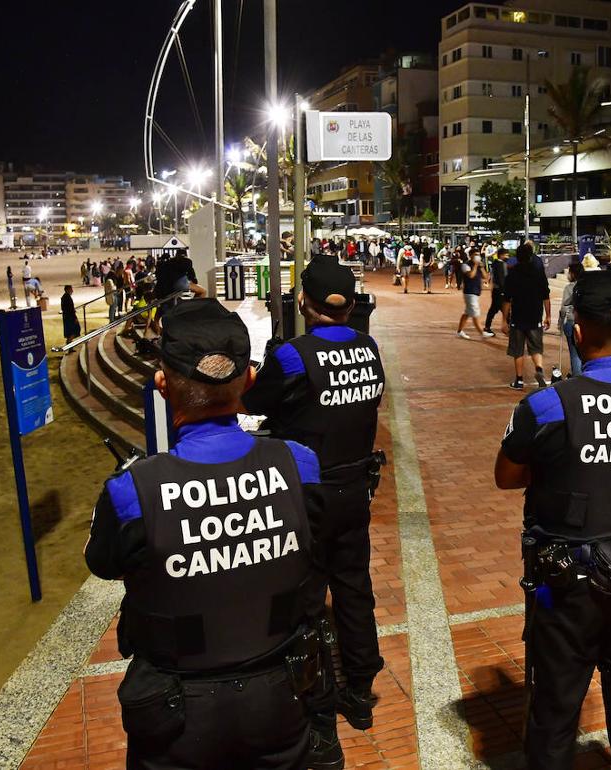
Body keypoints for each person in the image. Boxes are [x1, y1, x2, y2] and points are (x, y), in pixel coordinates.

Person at [85, 299, 324, 770]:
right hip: (279, 695)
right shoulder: (300, 464)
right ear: (250, 382)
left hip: (175, 711)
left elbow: (103, 563)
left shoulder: (131, 490)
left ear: (160, 385)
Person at [494, 270, 611, 770]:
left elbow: (507, 476)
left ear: (576, 331)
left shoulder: (548, 404)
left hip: (561, 582)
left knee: (556, 708)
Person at [242, 258, 387, 769]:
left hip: (306, 496)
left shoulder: (294, 355)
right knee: (353, 589)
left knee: (305, 601)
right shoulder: (368, 349)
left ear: (303, 302)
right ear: (349, 304)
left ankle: (319, 710)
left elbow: (251, 400)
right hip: (356, 490)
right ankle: (363, 691)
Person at [502, 243, 552, 390]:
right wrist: (548, 315)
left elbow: (507, 300)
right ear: (531, 256)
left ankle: (519, 380)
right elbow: (546, 296)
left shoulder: (512, 273)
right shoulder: (538, 272)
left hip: (518, 316)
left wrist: (504, 319)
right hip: (535, 315)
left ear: (517, 257)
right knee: (536, 348)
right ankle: (539, 370)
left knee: (518, 350)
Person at [457, 248, 495, 340]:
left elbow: (486, 277)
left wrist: (481, 267)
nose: (477, 256)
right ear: (470, 256)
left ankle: (460, 331)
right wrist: (475, 265)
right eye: (475, 255)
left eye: (478, 255)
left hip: (476, 291)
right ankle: (482, 332)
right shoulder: (465, 265)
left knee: (467, 312)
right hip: (469, 292)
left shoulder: (479, 266)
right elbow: (471, 275)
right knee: (475, 313)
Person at [559, 262, 584, 377]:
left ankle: (577, 377)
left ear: (573, 274)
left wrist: (560, 323)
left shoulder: (569, 288)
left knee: (574, 353)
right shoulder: (587, 286)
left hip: (572, 321)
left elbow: (564, 308)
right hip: (586, 322)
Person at [483, 247, 510, 335]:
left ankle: (508, 326)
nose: (507, 256)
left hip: (499, 290)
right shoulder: (499, 265)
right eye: (506, 255)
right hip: (499, 290)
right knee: (495, 309)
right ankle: (487, 328)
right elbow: (501, 279)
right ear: (501, 255)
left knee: (505, 310)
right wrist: (503, 290)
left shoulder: (499, 263)